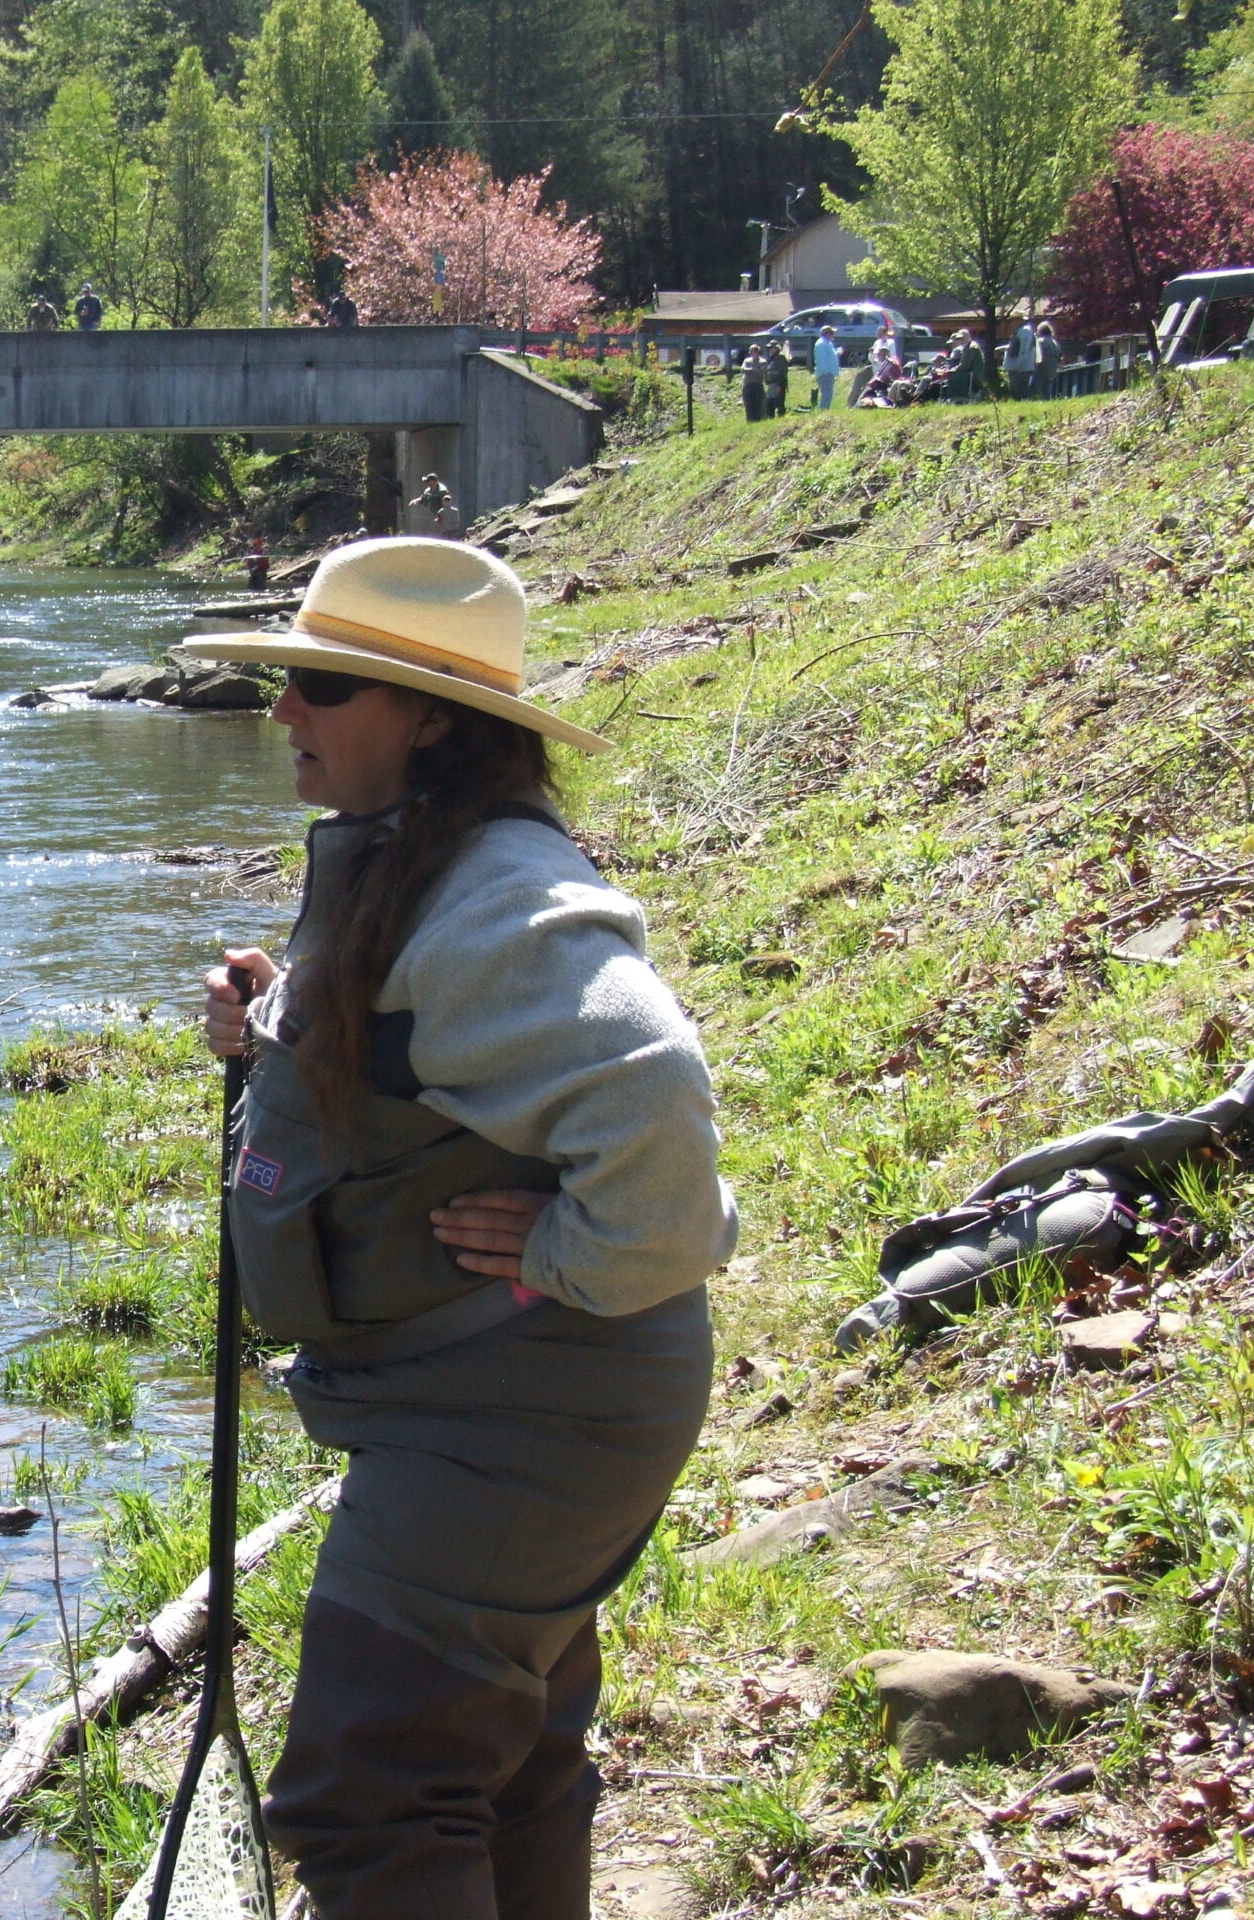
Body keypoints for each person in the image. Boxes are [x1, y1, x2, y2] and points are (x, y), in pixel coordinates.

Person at [173, 536, 732, 1920]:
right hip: (516, 1401)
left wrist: (570, 1253)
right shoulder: (417, 859)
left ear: (431, 719)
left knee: (368, 1792)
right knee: (507, 1762)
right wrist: (283, 1022)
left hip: (518, 1415)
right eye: (291, 678)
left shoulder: (495, 898)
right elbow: (433, 1052)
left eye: (325, 689)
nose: (285, 709)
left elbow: (654, 1095)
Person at [811, 324, 840, 410]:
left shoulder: (828, 343)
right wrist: (825, 371)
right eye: (831, 333)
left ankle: (825, 411)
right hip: (825, 374)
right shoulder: (821, 344)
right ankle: (823, 412)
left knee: (828, 394)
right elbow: (820, 359)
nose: (833, 335)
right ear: (826, 333)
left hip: (829, 373)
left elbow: (830, 356)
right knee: (826, 394)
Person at [762, 338, 791, 420]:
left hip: (778, 384)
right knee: (769, 403)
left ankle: (781, 418)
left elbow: (782, 373)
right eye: (769, 348)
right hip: (771, 384)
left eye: (771, 348)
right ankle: (770, 418)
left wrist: (780, 385)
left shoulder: (781, 358)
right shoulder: (771, 358)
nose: (770, 350)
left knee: (779, 403)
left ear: (776, 348)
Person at [1035, 319, 1063, 397]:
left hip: (1041, 369)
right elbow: (1059, 358)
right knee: (1048, 390)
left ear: (1040, 331)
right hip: (1053, 370)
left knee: (1037, 390)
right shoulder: (1056, 343)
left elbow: (1037, 356)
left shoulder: (1040, 342)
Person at [738, 347, 767, 423]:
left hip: (758, 386)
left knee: (757, 405)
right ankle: (749, 422)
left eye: (755, 351)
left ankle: (758, 422)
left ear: (758, 352)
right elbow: (743, 370)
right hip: (747, 386)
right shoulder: (747, 360)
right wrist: (753, 371)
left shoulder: (762, 361)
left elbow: (761, 372)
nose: (753, 353)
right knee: (748, 405)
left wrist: (750, 371)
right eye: (752, 351)